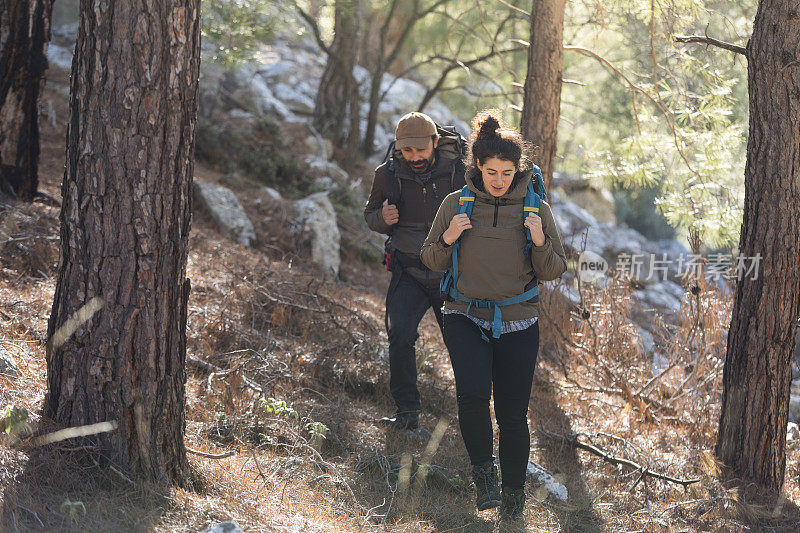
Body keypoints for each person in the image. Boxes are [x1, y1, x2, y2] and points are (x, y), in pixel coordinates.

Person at [420, 109, 567, 520]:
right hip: (464, 315)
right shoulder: (456, 203)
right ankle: (484, 475)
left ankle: (514, 495)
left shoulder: (535, 208)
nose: (498, 180)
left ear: (518, 170)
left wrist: (538, 240)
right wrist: (449, 237)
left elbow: (554, 269)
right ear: (478, 167)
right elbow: (430, 257)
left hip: (518, 320)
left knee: (512, 413)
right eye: (491, 172)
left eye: (506, 172)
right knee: (471, 396)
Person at [364, 112, 467, 430]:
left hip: (450, 273)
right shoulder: (387, 174)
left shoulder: (457, 171)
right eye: (407, 151)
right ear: (398, 148)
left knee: (462, 344)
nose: (414, 157)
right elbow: (370, 214)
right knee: (400, 335)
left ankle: (472, 414)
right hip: (408, 271)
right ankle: (407, 413)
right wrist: (383, 218)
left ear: (435, 142)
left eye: (420, 150)